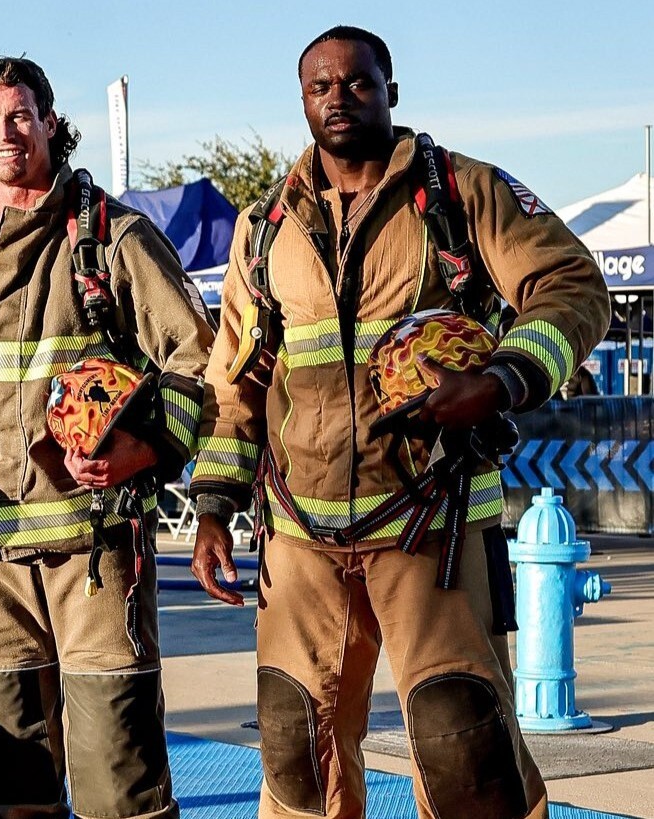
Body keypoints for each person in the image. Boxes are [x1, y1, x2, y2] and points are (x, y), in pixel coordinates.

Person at [189, 26, 611, 819]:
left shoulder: (464, 194)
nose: (338, 98)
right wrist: (212, 504)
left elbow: (572, 285)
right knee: (293, 749)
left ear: (391, 89)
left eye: (356, 82)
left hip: (434, 524)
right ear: (302, 101)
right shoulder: (265, 229)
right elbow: (234, 383)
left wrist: (500, 378)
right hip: (298, 534)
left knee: (465, 749)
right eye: (320, 87)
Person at [0, 57, 214, 819]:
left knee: (117, 785)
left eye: (21, 114)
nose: (6, 132)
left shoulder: (112, 240)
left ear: (51, 122)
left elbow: (203, 364)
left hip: (92, 556)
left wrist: (147, 446)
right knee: (12, 790)